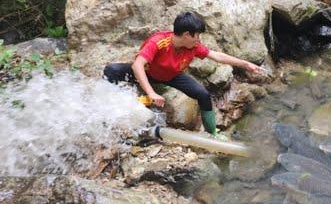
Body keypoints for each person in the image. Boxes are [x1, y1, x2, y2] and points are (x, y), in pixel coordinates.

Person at [103, 11, 266, 138]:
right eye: (197, 35)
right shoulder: (158, 42)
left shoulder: (193, 46)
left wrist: (246, 64)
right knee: (111, 70)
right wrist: (151, 93)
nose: (198, 39)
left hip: (171, 76)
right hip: (148, 73)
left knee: (203, 94)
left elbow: (217, 56)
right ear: (187, 34)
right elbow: (138, 64)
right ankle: (111, 104)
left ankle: (212, 133)